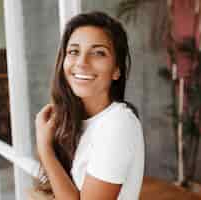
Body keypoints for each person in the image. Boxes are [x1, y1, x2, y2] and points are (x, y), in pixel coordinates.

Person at [35, 11, 145, 200]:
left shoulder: (118, 123)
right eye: (74, 51)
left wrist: (45, 149)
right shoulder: (75, 120)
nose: (82, 63)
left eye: (98, 53)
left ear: (117, 70)